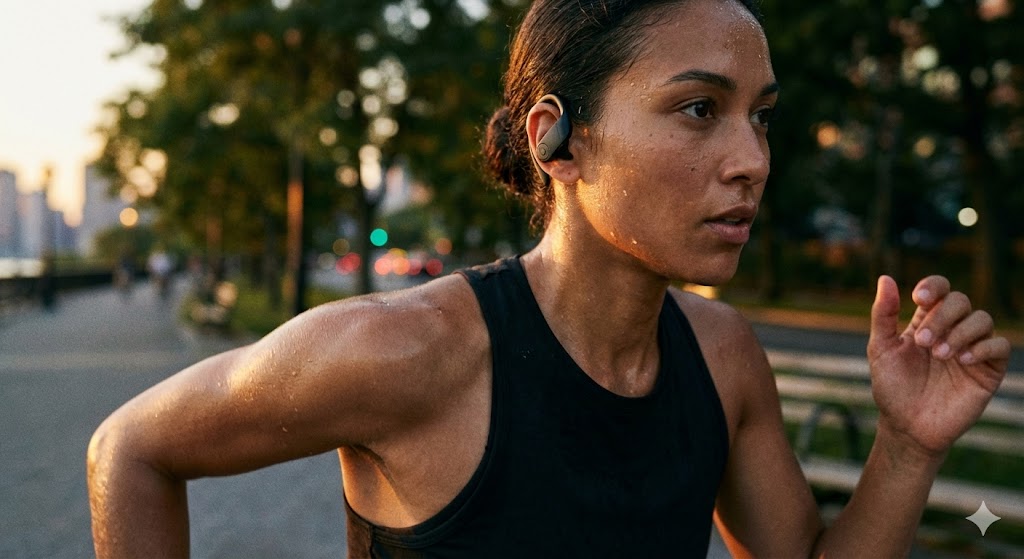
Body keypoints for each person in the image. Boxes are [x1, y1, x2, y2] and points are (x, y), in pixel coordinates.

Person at [87, 0, 1011, 557]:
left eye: (759, 116)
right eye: (699, 109)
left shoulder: (722, 357)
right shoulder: (402, 349)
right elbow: (130, 448)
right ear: (557, 139)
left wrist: (908, 444)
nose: (751, 160)